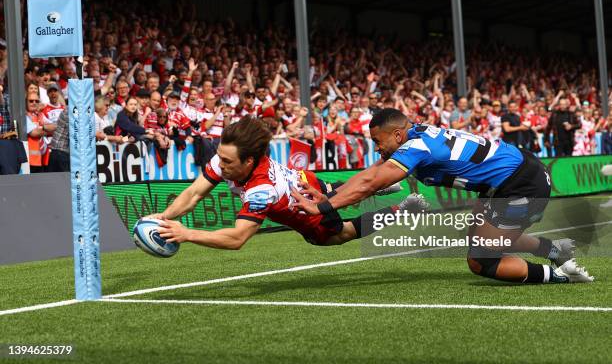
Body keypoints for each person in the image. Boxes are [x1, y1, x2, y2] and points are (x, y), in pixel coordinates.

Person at [291, 108, 593, 284]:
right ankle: (554, 249)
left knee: (481, 261)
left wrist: (324, 205)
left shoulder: (416, 148)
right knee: (483, 233)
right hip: (510, 177)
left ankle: (561, 275)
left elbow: (370, 182)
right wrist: (329, 193)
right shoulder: (414, 136)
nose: (376, 148)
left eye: (377, 141)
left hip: (521, 186)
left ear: (397, 135)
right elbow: (371, 173)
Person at [149, 117, 426, 249]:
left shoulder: (260, 191)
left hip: (309, 212)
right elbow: (194, 193)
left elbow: (237, 238)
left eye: (227, 162)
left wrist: (187, 233)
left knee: (342, 234)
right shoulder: (227, 158)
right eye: (219, 158)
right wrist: (162, 218)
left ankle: (402, 210)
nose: (219, 166)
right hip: (306, 183)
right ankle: (377, 184)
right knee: (335, 190)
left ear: (249, 162)